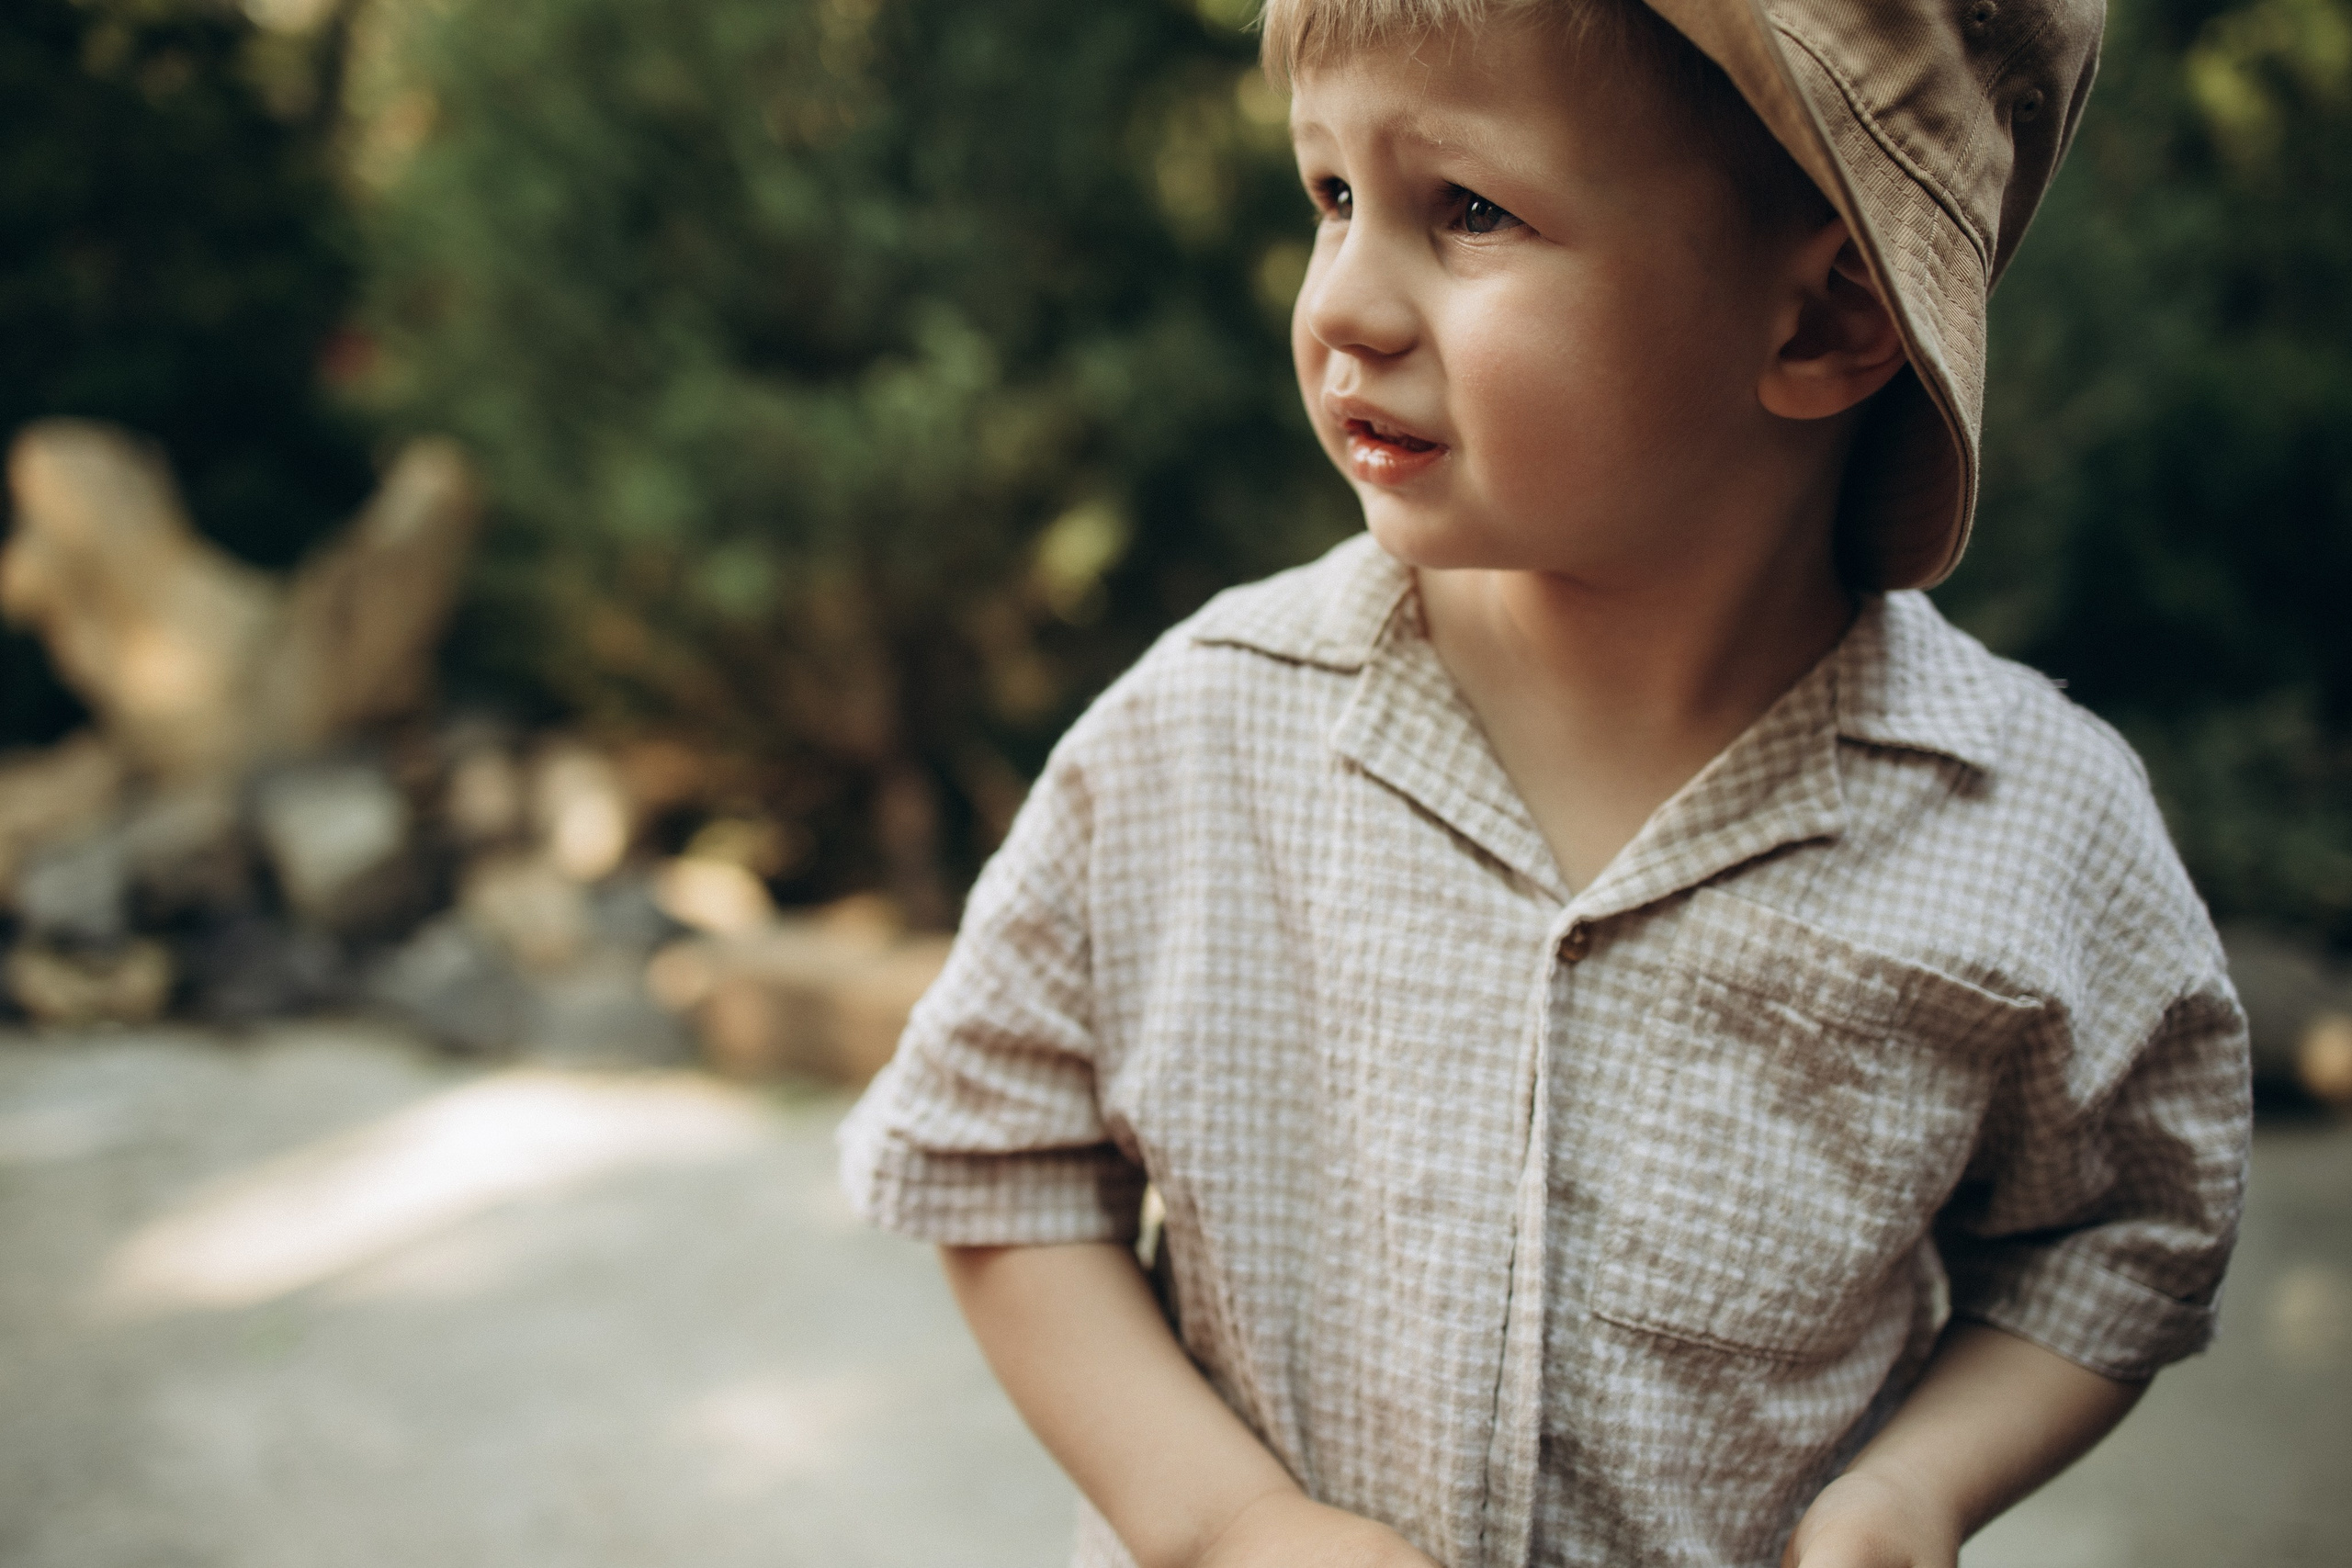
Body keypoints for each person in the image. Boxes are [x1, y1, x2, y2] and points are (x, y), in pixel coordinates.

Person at [838, 1, 2253, 1564]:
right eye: (1331, 197)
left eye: (1469, 210)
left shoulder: (2028, 825)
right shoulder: (1198, 739)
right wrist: (1226, 1522)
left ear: (1829, 321)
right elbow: (993, 1147)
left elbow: (2129, 1229)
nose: (1345, 305)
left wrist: (1914, 1489)